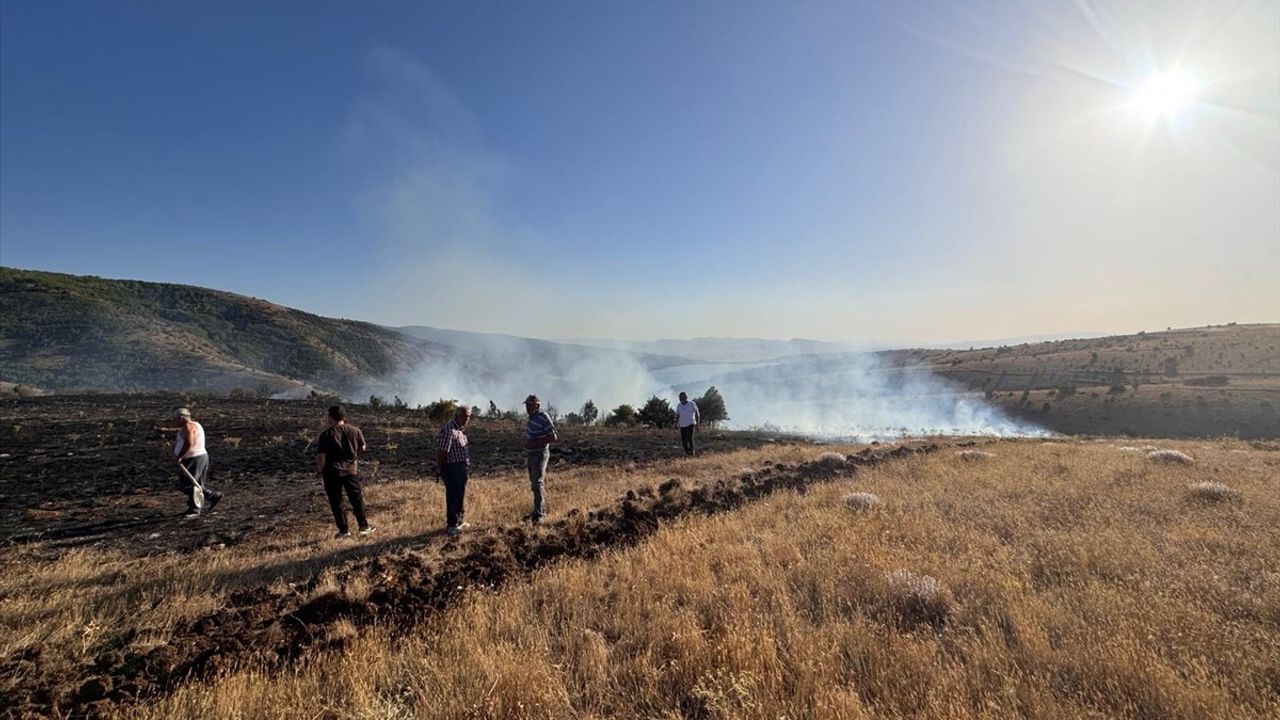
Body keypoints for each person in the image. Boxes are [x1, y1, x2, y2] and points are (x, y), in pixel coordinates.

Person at [314, 404, 375, 538]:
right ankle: (364, 526)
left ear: (331, 418)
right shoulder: (355, 430)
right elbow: (363, 447)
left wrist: (319, 470)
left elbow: (321, 456)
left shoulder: (326, 435)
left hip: (332, 472)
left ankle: (344, 530)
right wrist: (353, 455)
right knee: (356, 499)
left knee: (336, 501)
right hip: (351, 471)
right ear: (343, 416)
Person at [173, 407, 222, 518]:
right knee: (196, 483)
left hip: (194, 458)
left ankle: (212, 496)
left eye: (176, 419)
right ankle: (194, 509)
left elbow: (189, 442)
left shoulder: (188, 427)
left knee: (187, 485)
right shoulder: (195, 424)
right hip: (199, 457)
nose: (175, 421)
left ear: (180, 418)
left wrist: (179, 456)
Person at [435, 405, 472, 537]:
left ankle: (460, 521)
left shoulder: (460, 430)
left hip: (461, 467)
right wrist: (441, 469)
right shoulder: (448, 430)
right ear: (456, 415)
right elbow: (441, 452)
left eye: (468, 417)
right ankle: (452, 525)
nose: (466, 419)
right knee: (453, 496)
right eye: (463, 416)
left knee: (460, 494)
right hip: (452, 467)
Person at [522, 394, 557, 524]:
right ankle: (538, 510)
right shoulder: (531, 418)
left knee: (537, 483)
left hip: (540, 453)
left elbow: (553, 437)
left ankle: (540, 513)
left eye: (530, 405)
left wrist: (534, 443)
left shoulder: (543, 417)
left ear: (537, 406)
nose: (527, 408)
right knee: (534, 483)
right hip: (532, 454)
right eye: (527, 405)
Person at [676, 392, 700, 456]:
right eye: (681, 397)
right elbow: (678, 415)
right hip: (682, 425)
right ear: (679, 398)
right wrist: (676, 424)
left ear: (686, 397)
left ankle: (692, 453)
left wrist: (697, 424)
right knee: (684, 442)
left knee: (690, 439)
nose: (682, 398)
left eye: (684, 397)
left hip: (691, 424)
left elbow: (697, 414)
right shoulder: (679, 405)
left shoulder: (692, 404)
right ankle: (688, 453)